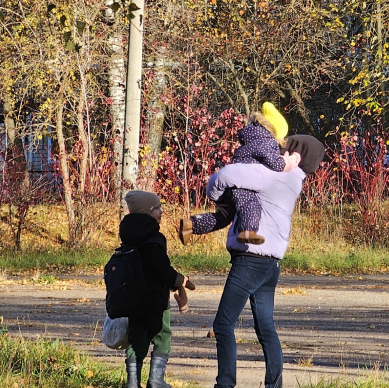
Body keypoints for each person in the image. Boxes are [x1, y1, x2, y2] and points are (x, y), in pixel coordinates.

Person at [206, 135, 324, 388]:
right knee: (266, 329)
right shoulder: (293, 180)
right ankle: (274, 385)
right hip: (270, 264)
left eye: (283, 149)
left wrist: (216, 197)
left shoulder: (273, 176)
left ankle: (224, 384)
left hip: (250, 260)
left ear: (295, 155)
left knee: (223, 324)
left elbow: (224, 175)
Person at [179, 102, 294, 245]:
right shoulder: (266, 142)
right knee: (250, 204)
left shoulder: (252, 140)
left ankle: (191, 225)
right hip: (242, 185)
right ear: (275, 131)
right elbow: (275, 164)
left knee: (224, 216)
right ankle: (247, 232)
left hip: (230, 185)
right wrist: (288, 162)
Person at [120, 190, 196, 388]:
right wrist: (179, 280)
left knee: (137, 338)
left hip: (133, 300)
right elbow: (161, 269)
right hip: (155, 300)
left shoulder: (129, 235)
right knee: (163, 335)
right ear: (147, 212)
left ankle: (132, 382)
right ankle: (156, 380)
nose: (161, 212)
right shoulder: (154, 238)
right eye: (157, 209)